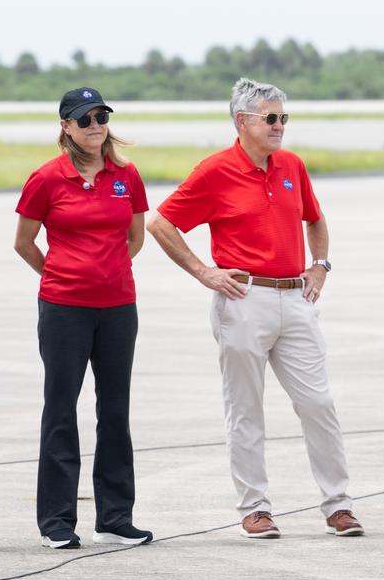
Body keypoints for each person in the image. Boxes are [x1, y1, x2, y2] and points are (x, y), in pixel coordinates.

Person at [147, 77, 363, 539]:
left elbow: (315, 217)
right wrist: (204, 271)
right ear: (242, 121)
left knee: (318, 402)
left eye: (284, 117)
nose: (280, 126)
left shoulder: (291, 165)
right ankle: (256, 507)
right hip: (244, 299)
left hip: (296, 297)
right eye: (271, 118)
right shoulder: (215, 171)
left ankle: (338, 504)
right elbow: (160, 223)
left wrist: (320, 264)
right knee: (246, 409)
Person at [14, 87, 152, 550]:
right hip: (64, 308)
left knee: (115, 410)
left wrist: (108, 271)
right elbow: (25, 242)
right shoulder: (47, 178)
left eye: (101, 117)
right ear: (66, 127)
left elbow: (136, 238)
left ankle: (115, 516)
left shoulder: (126, 175)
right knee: (60, 409)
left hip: (117, 307)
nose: (95, 125)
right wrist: (61, 275)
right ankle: (56, 519)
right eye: (85, 118)